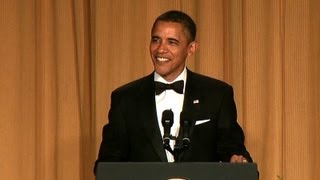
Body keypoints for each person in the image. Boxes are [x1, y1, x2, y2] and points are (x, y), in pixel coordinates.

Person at [94, 10, 253, 173]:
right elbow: (107, 164)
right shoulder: (125, 99)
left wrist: (239, 160)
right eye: (156, 40)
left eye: (172, 42)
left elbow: (233, 149)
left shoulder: (217, 95)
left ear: (191, 48)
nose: (160, 50)